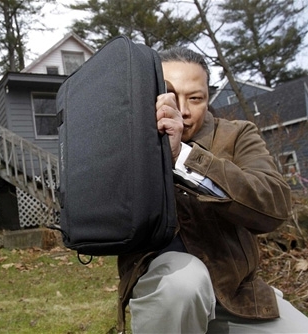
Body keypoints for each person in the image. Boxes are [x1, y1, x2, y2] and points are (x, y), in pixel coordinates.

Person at [117, 47, 308, 333]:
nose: (182, 110)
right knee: (183, 282)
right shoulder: (128, 144)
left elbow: (275, 204)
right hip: (168, 297)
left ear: (208, 98)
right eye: (169, 94)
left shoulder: (237, 133)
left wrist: (183, 157)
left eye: (195, 98)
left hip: (239, 297)